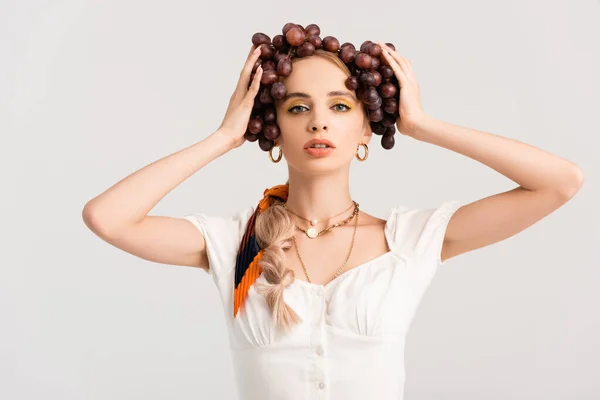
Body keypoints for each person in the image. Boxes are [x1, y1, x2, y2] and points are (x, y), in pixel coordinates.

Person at [82, 42, 584, 400]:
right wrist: (222, 138)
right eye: (297, 108)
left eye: (340, 107)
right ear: (273, 130)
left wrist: (424, 125)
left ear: (367, 126)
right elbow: (107, 218)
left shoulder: (408, 240)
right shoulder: (238, 243)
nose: (318, 122)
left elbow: (560, 181)